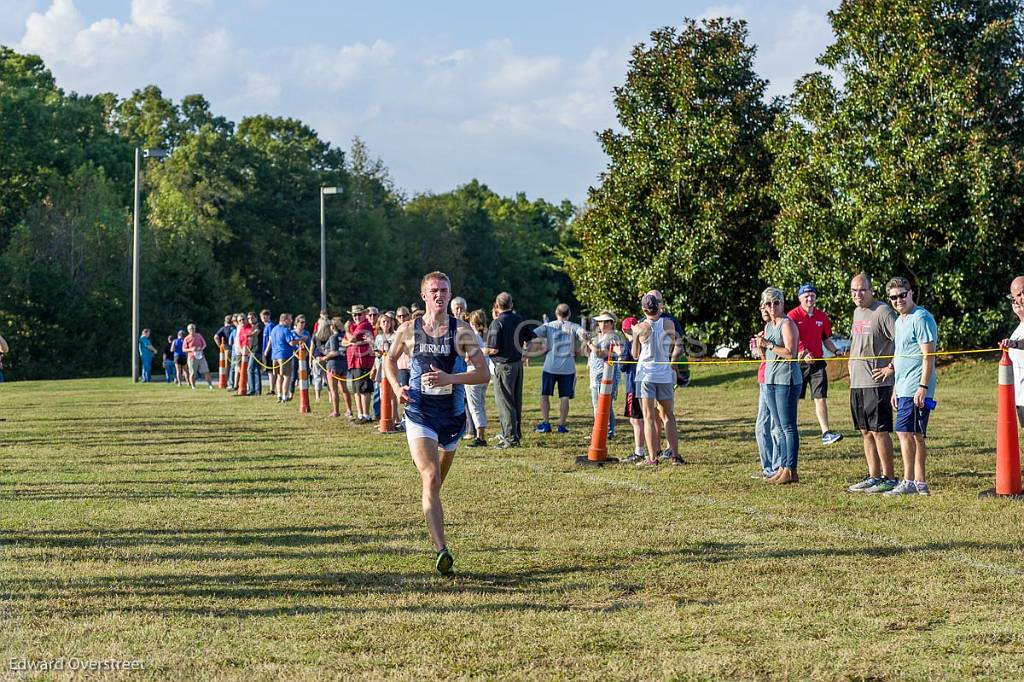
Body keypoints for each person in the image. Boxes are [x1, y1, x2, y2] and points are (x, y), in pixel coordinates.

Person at [384, 271, 490, 575]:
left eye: (444, 290)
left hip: (453, 417)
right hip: (419, 412)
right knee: (429, 476)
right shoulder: (408, 330)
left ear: (450, 293)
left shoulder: (462, 331)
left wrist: (450, 378)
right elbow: (389, 360)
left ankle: (431, 514)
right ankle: (442, 550)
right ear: (423, 295)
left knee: (436, 484)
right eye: (434, 290)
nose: (439, 295)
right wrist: (396, 387)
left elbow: (483, 373)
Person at [882, 277, 937, 496]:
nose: (898, 300)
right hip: (903, 386)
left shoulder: (921, 317)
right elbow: (900, 354)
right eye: (893, 297)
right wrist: (895, 387)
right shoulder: (899, 321)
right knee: (912, 434)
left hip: (917, 386)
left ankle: (910, 481)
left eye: (902, 295)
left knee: (906, 432)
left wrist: (923, 386)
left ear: (911, 293)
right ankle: (918, 482)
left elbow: (928, 356)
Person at [846, 274, 899, 494]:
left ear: (871, 290)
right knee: (865, 431)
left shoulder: (883, 311)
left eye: (862, 290)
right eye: (853, 291)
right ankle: (873, 475)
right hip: (857, 383)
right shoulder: (857, 312)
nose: (858, 294)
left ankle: (889, 477)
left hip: (877, 384)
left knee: (880, 431)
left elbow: (903, 341)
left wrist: (891, 368)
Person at [755, 287, 803, 484]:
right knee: (780, 428)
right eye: (768, 303)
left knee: (788, 427)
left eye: (776, 303)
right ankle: (782, 467)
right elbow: (767, 356)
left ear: (782, 304)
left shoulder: (786, 324)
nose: (772, 307)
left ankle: (791, 469)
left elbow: (790, 352)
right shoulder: (769, 326)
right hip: (771, 379)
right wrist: (760, 346)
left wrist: (769, 345)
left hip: (787, 381)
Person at [788, 284, 845, 445]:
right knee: (794, 398)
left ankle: (826, 433)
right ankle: (789, 431)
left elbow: (826, 339)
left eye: (812, 295)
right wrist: (803, 352)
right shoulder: (792, 315)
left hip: (818, 363)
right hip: (798, 363)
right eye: (806, 295)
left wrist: (835, 350)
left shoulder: (822, 316)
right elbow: (790, 338)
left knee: (820, 397)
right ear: (800, 298)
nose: (809, 298)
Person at [632, 293, 684, 466]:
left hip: (646, 376)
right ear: (659, 307)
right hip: (664, 374)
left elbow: (635, 354)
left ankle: (652, 458)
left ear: (644, 309)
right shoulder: (668, 323)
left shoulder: (640, 327)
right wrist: (672, 360)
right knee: (668, 415)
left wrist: (633, 336)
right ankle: (675, 456)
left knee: (648, 417)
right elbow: (676, 345)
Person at [485, 292, 534, 448]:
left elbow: (493, 349)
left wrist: (479, 351)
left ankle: (510, 438)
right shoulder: (519, 319)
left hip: (504, 366)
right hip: (517, 365)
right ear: (511, 305)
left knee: (505, 402)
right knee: (516, 401)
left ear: (497, 305)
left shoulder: (497, 323)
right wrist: (525, 355)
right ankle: (515, 433)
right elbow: (532, 339)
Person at [532, 303, 585, 434]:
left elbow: (532, 334)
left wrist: (540, 347)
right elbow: (585, 336)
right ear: (569, 314)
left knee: (545, 395)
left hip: (550, 365)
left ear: (556, 313)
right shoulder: (574, 326)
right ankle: (561, 425)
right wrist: (579, 349)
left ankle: (546, 423)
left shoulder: (549, 325)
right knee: (565, 397)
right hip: (568, 367)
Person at [752, 305, 782, 479]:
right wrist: (760, 349)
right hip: (764, 378)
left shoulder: (782, 327)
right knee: (762, 425)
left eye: (768, 306)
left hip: (777, 380)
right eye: (762, 307)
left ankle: (778, 466)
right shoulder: (764, 331)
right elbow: (763, 358)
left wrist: (766, 346)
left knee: (775, 426)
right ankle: (768, 467)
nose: (765, 310)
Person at [588, 311, 623, 440]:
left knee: (603, 404)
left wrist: (590, 344)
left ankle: (605, 432)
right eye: (600, 321)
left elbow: (600, 353)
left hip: (605, 374)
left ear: (611, 323)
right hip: (596, 374)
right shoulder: (600, 336)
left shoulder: (612, 337)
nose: (601, 324)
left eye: (604, 321)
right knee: (599, 404)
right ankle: (603, 431)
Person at [619, 317, 647, 463]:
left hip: (632, 386)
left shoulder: (627, 345)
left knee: (635, 420)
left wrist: (619, 353)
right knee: (645, 418)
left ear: (623, 330)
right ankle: (649, 449)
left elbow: (623, 366)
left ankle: (639, 451)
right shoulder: (644, 344)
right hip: (644, 384)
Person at [998, 276, 1024, 427]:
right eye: (1018, 296)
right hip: (1021, 396)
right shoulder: (1019, 327)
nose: (1022, 298)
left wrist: (1014, 343)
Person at [464, 309, 491, 446]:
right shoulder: (486, 335)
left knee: (474, 406)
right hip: (485, 373)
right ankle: (481, 433)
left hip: (473, 372)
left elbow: (468, 357)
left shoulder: (473, 336)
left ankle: (480, 436)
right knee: (481, 403)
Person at [346, 305, 376, 422]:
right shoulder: (354, 326)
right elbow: (345, 342)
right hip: (353, 362)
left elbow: (351, 339)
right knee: (356, 389)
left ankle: (366, 415)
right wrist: (352, 340)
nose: (357, 317)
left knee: (364, 389)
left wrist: (347, 331)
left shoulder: (364, 325)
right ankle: (360, 415)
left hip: (363, 361)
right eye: (354, 315)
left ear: (364, 315)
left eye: (359, 314)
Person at [323, 317, 349, 417]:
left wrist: (324, 358)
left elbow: (334, 351)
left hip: (333, 365)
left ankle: (336, 411)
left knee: (334, 390)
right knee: (344, 389)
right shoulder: (344, 336)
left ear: (332, 327)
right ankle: (349, 410)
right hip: (343, 364)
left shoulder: (333, 337)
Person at [268, 313, 295, 401]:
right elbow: (291, 342)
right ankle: (285, 396)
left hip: (274, 356)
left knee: (279, 376)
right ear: (284, 320)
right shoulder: (285, 330)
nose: (291, 321)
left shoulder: (274, 329)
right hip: (284, 355)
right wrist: (300, 340)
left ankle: (279, 395)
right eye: (290, 319)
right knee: (287, 376)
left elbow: (271, 341)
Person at [183, 323, 214, 389]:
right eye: (190, 329)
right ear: (188, 330)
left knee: (206, 371)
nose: (192, 330)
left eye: (193, 328)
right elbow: (183, 349)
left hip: (201, 356)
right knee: (192, 373)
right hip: (192, 357)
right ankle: (193, 386)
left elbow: (204, 344)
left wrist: (201, 348)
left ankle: (210, 385)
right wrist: (191, 349)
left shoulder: (199, 336)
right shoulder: (186, 338)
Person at [246, 312, 264, 396]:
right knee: (256, 370)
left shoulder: (259, 325)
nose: (250, 320)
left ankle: (252, 390)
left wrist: (247, 335)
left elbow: (256, 332)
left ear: (256, 318)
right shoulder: (251, 327)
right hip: (252, 350)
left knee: (250, 370)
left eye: (252, 318)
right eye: (249, 318)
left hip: (257, 351)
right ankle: (257, 391)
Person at [260, 309, 275, 397]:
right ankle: (271, 388)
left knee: (271, 371)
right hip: (265, 351)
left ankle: (272, 389)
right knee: (269, 371)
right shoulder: (265, 326)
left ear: (269, 316)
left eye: (266, 315)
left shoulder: (270, 325)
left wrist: (266, 351)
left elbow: (271, 339)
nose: (264, 318)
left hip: (270, 351)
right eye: (263, 316)